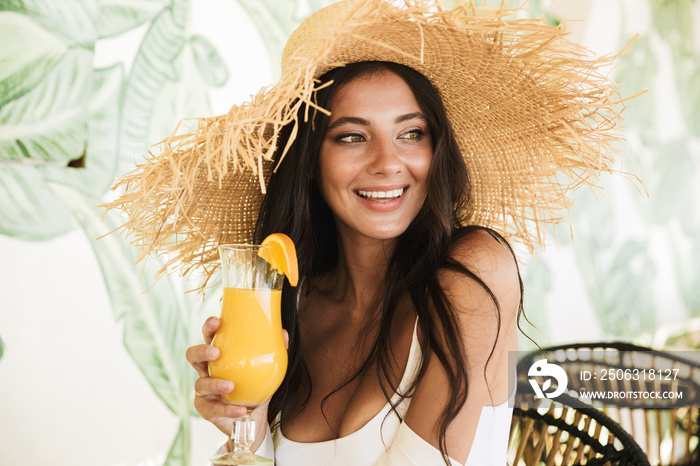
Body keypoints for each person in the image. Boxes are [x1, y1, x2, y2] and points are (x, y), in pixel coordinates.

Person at [106, 1, 629, 464]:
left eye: (411, 133)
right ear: (311, 161)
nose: (388, 163)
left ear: (435, 149)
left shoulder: (474, 269)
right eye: (352, 136)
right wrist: (248, 425)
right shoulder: (293, 305)